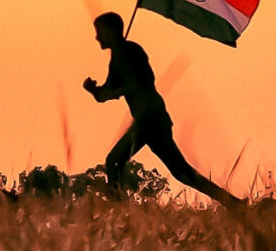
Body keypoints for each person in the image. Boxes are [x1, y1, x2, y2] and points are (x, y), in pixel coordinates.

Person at [83, 12, 242, 207]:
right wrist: (93, 90)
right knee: (182, 172)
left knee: (114, 161)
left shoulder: (131, 51)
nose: (97, 37)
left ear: (110, 31)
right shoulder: (116, 58)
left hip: (150, 117)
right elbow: (106, 93)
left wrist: (119, 90)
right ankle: (234, 203)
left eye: (100, 32)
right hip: (147, 118)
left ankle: (118, 211)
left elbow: (146, 81)